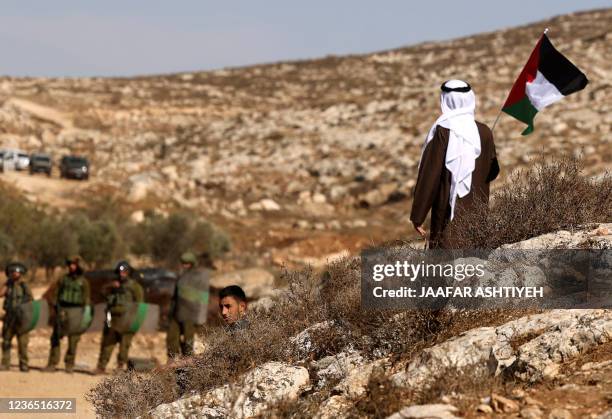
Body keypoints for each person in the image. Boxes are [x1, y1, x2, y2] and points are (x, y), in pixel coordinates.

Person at [410, 80, 500, 249]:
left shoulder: (442, 131)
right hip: (477, 216)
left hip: (447, 218)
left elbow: (429, 176)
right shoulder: (484, 131)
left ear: (445, 100)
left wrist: (418, 215)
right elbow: (493, 172)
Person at [94, 260, 144, 374]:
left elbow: (140, 304)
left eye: (124, 272)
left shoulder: (135, 287)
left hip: (127, 320)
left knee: (124, 346)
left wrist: (136, 322)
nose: (122, 274)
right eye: (120, 272)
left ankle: (120, 366)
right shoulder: (114, 285)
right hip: (113, 320)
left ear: (128, 273)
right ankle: (101, 366)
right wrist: (110, 286)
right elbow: (102, 293)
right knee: (107, 344)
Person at [44, 256, 91, 373]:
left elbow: (86, 299)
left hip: (76, 312)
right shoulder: (63, 279)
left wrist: (85, 316)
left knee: (73, 340)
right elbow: (56, 293)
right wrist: (55, 305)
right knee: (55, 337)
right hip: (63, 310)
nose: (71, 266)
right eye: (70, 264)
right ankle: (52, 363)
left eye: (74, 264)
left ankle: (69, 364)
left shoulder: (83, 282)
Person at [0, 262, 33, 372]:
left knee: (22, 343)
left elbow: (30, 298)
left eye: (17, 271)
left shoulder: (24, 284)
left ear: (20, 273)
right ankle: (5, 364)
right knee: (6, 341)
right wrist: (5, 284)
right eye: (12, 272)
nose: (15, 273)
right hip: (9, 316)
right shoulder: (8, 284)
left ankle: (23, 364)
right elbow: (1, 294)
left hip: (21, 318)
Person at [166, 252, 199, 359]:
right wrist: (171, 311)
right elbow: (175, 296)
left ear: (192, 264)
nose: (184, 265)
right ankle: (172, 359)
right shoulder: (180, 276)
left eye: (187, 264)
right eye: (183, 263)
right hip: (177, 311)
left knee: (188, 338)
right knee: (172, 336)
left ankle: (188, 361)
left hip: (189, 313)